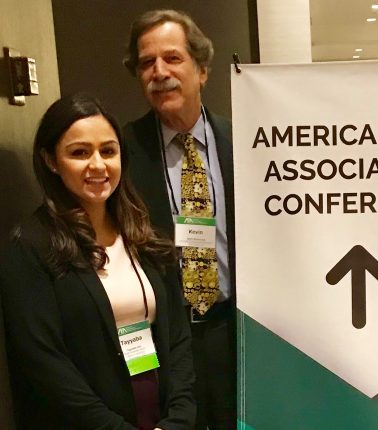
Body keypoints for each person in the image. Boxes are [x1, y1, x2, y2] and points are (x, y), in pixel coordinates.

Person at [0, 93, 195, 428]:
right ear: (50, 160)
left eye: (108, 151)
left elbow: (177, 338)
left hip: (157, 418)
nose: (98, 165)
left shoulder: (141, 234)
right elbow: (45, 365)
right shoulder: (30, 246)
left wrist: (178, 418)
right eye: (79, 152)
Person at [121, 9, 235, 429]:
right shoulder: (122, 152)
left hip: (235, 329)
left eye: (172, 58)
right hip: (163, 338)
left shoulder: (244, 141)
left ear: (202, 70)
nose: (159, 72)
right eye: (146, 63)